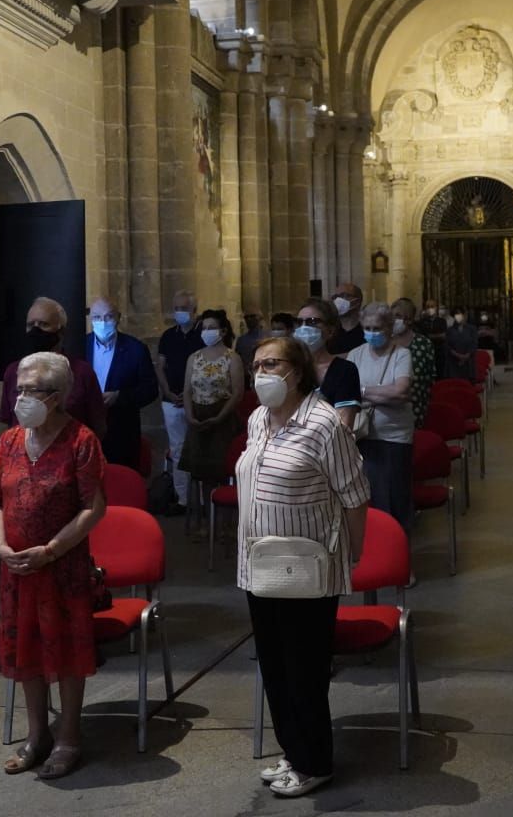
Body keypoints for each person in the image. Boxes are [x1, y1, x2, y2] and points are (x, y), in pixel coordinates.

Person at [236, 336, 369, 798]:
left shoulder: (324, 422)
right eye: (256, 365)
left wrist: (350, 554)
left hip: (308, 568)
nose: (261, 373)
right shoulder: (258, 419)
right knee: (274, 667)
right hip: (259, 563)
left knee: (304, 670)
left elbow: (354, 494)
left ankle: (315, 762)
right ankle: (293, 751)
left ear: (297, 370)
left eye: (271, 364)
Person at [0, 352, 107, 779]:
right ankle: (37, 735)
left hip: (61, 565)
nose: (20, 398)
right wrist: (1, 545)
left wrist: (51, 549)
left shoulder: (81, 440)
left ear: (55, 396)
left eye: (30, 390)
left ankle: (69, 736)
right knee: (26, 652)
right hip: (16, 568)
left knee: (67, 653)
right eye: (18, 389)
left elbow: (93, 506)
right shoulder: (10, 441)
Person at [347, 303, 415, 534]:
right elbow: (348, 393)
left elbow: (401, 392)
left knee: (395, 500)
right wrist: (382, 393)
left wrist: (363, 392)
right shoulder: (355, 354)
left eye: (377, 328)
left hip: (394, 437)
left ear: (388, 327)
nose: (372, 333)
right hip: (362, 436)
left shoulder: (401, 354)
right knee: (370, 500)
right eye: (367, 328)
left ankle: (401, 557)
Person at [0, 297, 106, 438]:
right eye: (31, 325)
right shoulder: (13, 372)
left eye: (43, 324)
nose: (36, 329)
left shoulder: (82, 372)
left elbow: (99, 426)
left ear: (61, 331)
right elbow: (10, 423)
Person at [180, 309, 246, 531]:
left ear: (223, 331)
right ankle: (207, 520)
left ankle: (226, 522)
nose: (207, 332)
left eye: (212, 328)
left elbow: (237, 392)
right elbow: (187, 390)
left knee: (222, 468)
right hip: (198, 415)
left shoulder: (231, 357)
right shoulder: (193, 358)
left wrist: (219, 417)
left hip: (223, 417)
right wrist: (189, 415)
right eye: (204, 328)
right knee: (203, 471)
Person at [86, 297, 158, 473]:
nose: (102, 322)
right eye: (97, 317)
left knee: (121, 482)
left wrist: (119, 396)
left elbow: (150, 390)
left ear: (118, 317)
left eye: (108, 317)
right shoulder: (80, 346)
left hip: (122, 431)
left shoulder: (136, 349)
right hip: (87, 429)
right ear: (90, 319)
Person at [155, 290, 204, 511]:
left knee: (200, 449)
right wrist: (167, 390)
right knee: (177, 449)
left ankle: (203, 500)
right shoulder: (168, 336)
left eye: (184, 308)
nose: (180, 312)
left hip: (195, 401)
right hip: (170, 399)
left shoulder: (202, 334)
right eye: (176, 308)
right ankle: (182, 498)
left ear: (194, 310)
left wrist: (187, 396)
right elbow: (161, 367)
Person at [293, 298, 362, 433]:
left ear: (330, 331)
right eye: (299, 322)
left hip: (327, 448)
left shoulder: (344, 370)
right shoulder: (288, 367)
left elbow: (344, 427)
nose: (303, 328)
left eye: (312, 322)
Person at [390, 297, 436, 427]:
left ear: (409, 319)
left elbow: (430, 376)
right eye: (391, 316)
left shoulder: (423, 344)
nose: (393, 320)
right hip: (388, 407)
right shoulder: (384, 343)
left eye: (398, 316)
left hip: (415, 405)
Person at [326, 282, 366, 355]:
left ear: (357, 301)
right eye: (335, 297)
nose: (337, 300)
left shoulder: (367, 329)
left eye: (343, 295)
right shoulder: (330, 331)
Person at [444, 304, 480, 382]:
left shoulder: (472, 329)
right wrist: (458, 356)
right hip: (454, 365)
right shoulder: (450, 330)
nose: (459, 316)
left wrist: (466, 356)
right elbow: (448, 346)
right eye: (456, 314)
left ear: (465, 315)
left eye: (461, 313)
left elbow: (474, 344)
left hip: (468, 364)